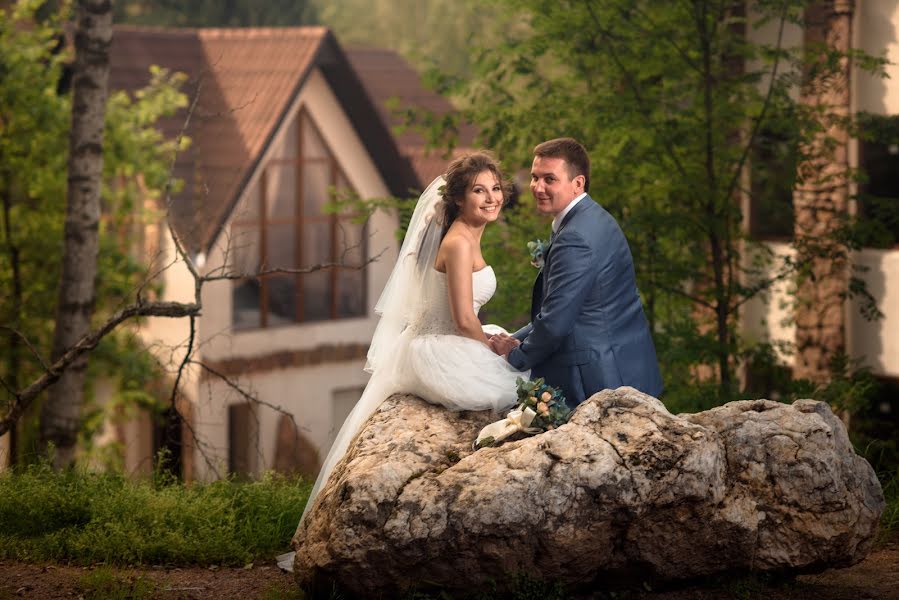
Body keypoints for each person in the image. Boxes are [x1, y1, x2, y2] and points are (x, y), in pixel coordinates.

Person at [297, 151, 528, 527]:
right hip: (437, 344)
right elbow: (463, 318)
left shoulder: (469, 234)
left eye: (496, 189)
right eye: (478, 191)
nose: (491, 198)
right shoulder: (458, 244)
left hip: (454, 334)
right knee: (514, 381)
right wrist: (494, 347)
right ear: (457, 198)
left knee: (519, 367)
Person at [490, 137, 663, 406]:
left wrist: (516, 355)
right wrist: (514, 339)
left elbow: (556, 323)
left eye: (550, 179)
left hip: (595, 380)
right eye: (535, 177)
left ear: (578, 183)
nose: (537, 187)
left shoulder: (575, 238)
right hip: (627, 364)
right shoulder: (595, 217)